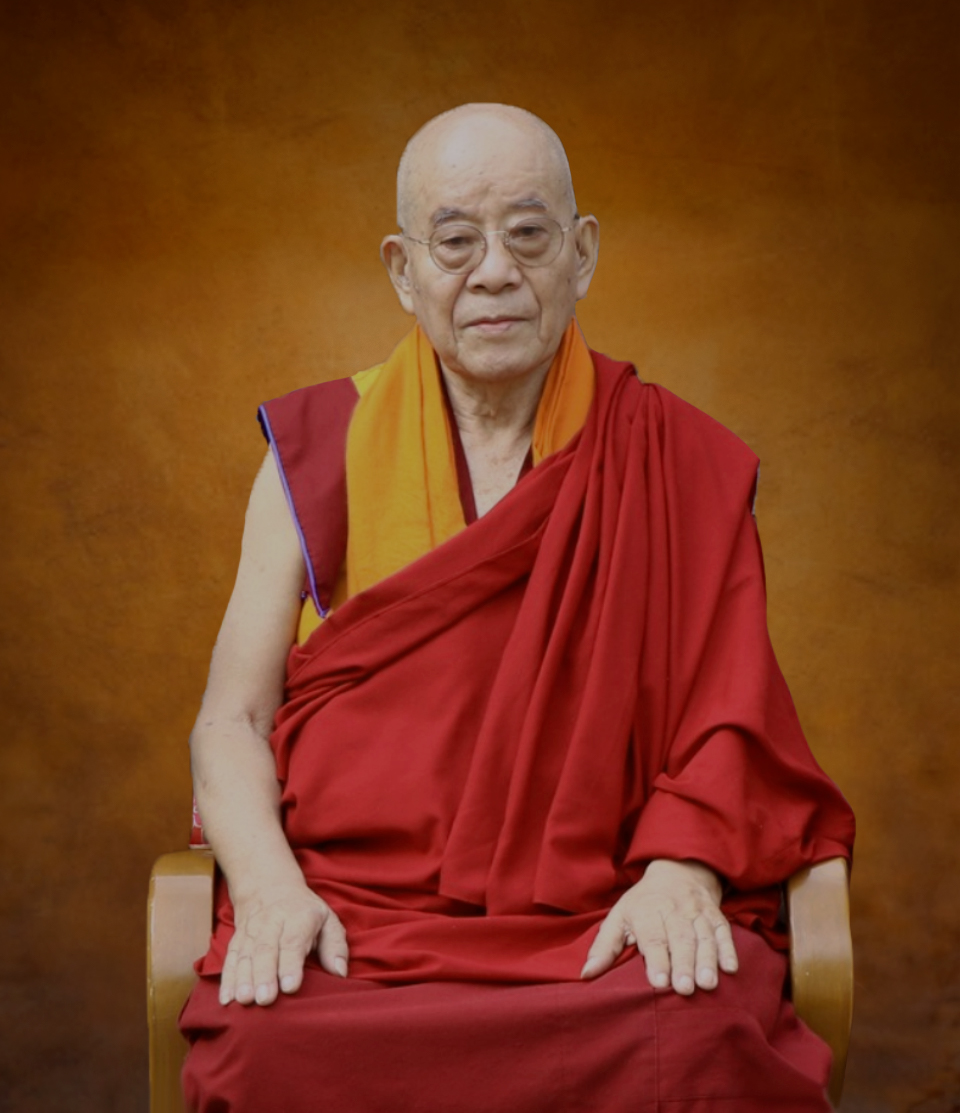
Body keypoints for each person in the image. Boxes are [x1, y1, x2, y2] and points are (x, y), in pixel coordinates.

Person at [180, 103, 855, 1112]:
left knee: (700, 1032)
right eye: (456, 241)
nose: (494, 271)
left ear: (581, 254)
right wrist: (274, 890)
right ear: (404, 270)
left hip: (598, 918)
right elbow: (231, 721)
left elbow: (731, 721)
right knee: (262, 1048)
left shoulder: (670, 460)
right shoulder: (316, 456)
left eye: (528, 235)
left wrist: (682, 870)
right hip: (357, 915)